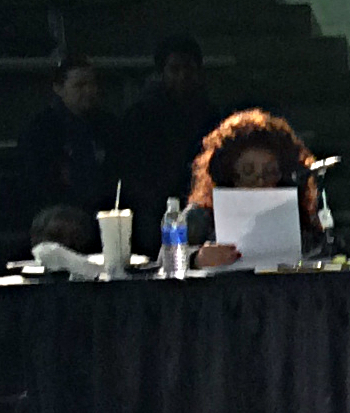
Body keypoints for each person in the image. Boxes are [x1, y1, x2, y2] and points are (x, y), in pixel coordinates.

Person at [184, 108, 326, 267]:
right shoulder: (200, 216)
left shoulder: (301, 218)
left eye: (270, 172)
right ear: (228, 175)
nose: (259, 181)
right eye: (248, 171)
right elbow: (164, 259)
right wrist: (196, 259)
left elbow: (322, 256)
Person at [120, 35, 223, 218]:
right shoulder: (140, 116)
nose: (183, 76)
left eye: (188, 68)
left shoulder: (211, 115)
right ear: (162, 73)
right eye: (175, 69)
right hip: (152, 207)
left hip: (202, 202)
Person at [14, 57, 119, 219]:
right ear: (59, 88)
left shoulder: (108, 125)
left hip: (105, 209)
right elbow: (37, 180)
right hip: (56, 211)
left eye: (92, 84)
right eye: (80, 85)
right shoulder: (41, 129)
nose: (89, 91)